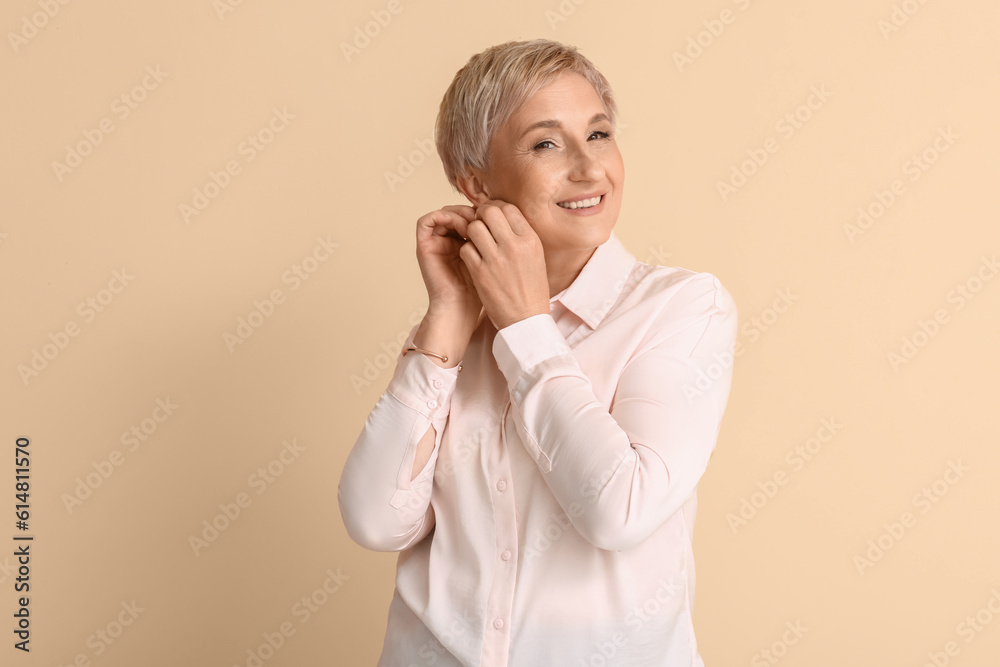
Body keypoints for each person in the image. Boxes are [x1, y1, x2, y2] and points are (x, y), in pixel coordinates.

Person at [338, 38, 738, 666]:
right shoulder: (455, 333)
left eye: (600, 134)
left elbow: (620, 511)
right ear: (476, 182)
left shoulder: (682, 308)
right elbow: (375, 521)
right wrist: (445, 319)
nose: (588, 167)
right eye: (546, 143)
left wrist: (525, 329)